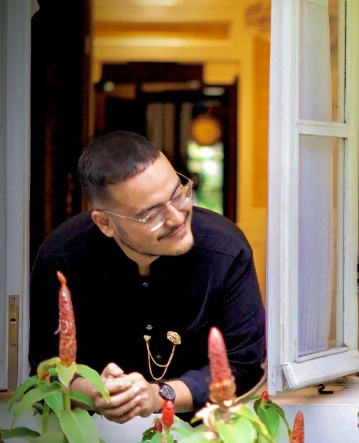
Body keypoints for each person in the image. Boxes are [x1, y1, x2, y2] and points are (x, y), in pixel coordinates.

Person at [29, 131, 266, 424]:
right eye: (151, 214)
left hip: (202, 435)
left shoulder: (226, 250)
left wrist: (159, 396)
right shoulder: (61, 257)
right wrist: (94, 392)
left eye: (179, 194)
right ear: (106, 223)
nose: (177, 218)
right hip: (90, 439)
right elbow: (45, 369)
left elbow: (242, 364)